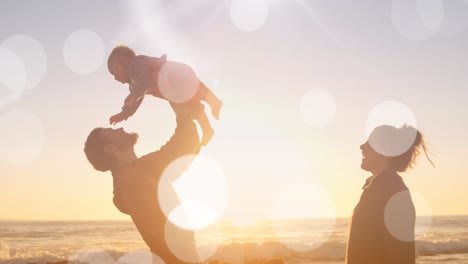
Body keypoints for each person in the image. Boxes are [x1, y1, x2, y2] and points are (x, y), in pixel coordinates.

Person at [84, 110, 202, 264]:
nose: (120, 129)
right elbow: (185, 142)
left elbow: (182, 154)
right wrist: (179, 105)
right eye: (112, 132)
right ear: (110, 149)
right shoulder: (136, 174)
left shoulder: (126, 182)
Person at [346, 124, 434, 264]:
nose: (362, 147)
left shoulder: (393, 192)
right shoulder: (376, 188)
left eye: (369, 142)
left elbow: (402, 256)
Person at [107, 45, 223, 146]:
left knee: (198, 90)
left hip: (176, 76)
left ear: (122, 63)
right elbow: (136, 101)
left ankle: (214, 102)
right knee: (194, 107)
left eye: (114, 72)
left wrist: (134, 95)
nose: (115, 78)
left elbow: (143, 80)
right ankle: (207, 129)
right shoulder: (134, 85)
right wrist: (124, 114)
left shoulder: (136, 65)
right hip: (175, 92)